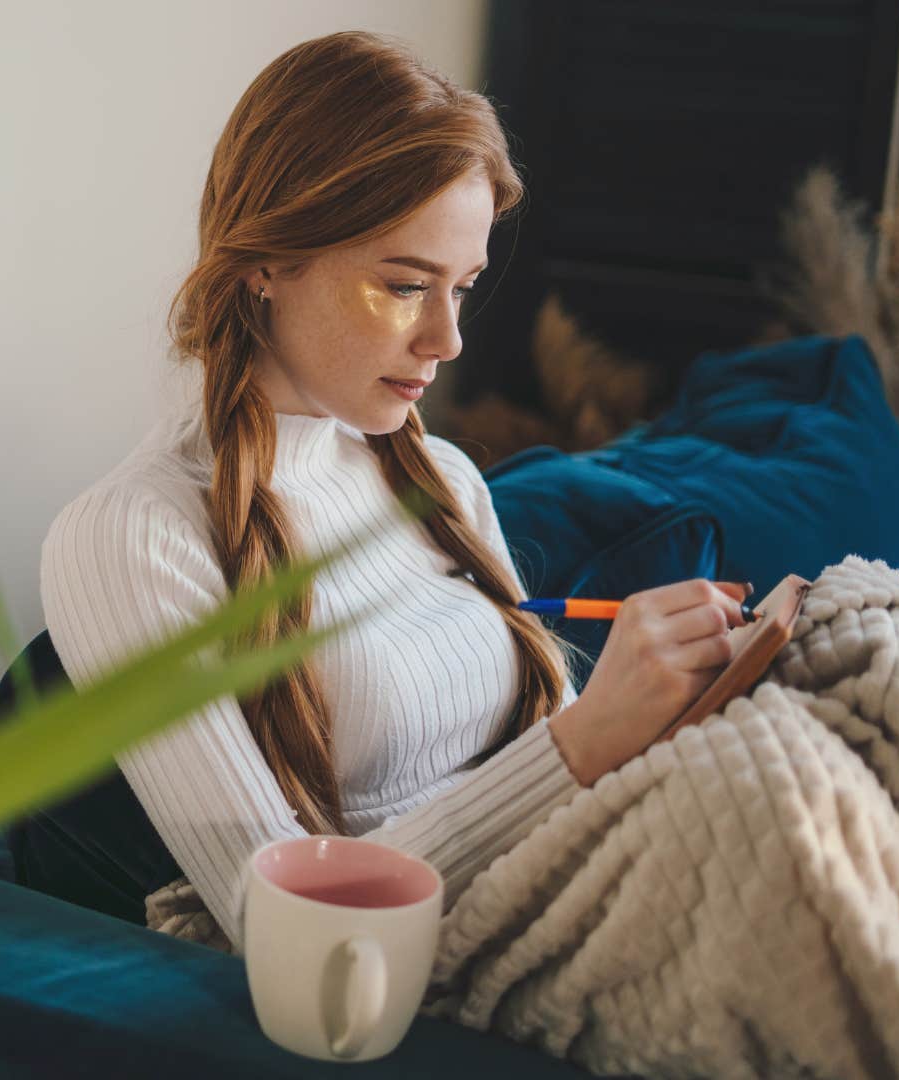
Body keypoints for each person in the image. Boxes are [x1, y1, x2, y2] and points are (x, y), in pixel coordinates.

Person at [39, 30, 753, 949]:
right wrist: (591, 739)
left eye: (463, 286)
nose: (449, 340)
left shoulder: (442, 478)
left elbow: (567, 775)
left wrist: (672, 712)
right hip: (462, 959)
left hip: (585, 885)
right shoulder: (132, 536)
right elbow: (281, 923)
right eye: (407, 285)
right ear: (267, 262)